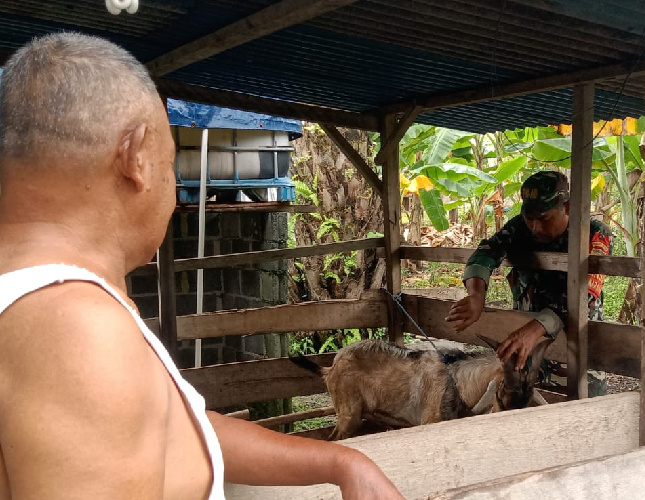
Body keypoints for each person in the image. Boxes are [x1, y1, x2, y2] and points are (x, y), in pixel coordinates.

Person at [0, 33, 405, 500]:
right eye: (170, 164)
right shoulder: (74, 330)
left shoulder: (41, 306)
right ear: (135, 157)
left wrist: (339, 461)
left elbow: (174, 426)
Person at [446, 171, 612, 395]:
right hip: (529, 358)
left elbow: (586, 292)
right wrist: (476, 295)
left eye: (543, 219)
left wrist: (535, 329)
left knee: (585, 419)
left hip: (578, 358)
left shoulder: (594, 233)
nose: (535, 227)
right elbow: (485, 254)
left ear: (568, 207)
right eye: (529, 218)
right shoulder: (520, 229)